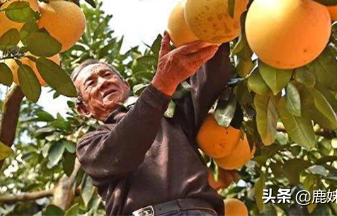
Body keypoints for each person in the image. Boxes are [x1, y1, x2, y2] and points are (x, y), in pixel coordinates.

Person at [73, 32, 233, 216]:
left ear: (126, 85)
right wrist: (162, 85)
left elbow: (208, 82)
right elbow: (123, 151)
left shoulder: (170, 114)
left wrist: (218, 32)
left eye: (107, 74)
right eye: (90, 83)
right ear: (83, 109)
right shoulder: (89, 145)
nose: (102, 82)